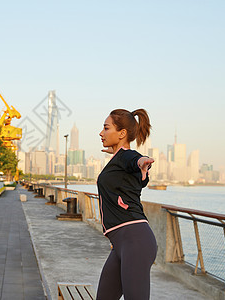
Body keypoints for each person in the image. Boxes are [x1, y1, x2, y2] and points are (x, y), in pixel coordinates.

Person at [96, 108, 157, 300]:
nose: (101, 133)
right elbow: (135, 178)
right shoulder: (118, 159)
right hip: (120, 242)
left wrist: (141, 161)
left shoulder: (126, 157)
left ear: (122, 133)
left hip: (135, 240)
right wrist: (115, 152)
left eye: (106, 128)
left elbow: (133, 159)